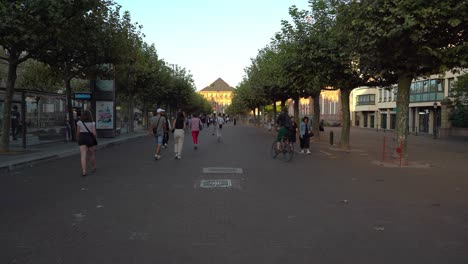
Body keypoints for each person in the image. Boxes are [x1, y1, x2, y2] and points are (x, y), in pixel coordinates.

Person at [76, 110, 97, 176]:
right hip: (89, 138)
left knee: (83, 155)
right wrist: (95, 137)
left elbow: (78, 132)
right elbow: (94, 133)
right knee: (91, 154)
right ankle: (93, 167)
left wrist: (78, 138)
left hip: (82, 138)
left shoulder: (79, 122)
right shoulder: (92, 123)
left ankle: (84, 171)